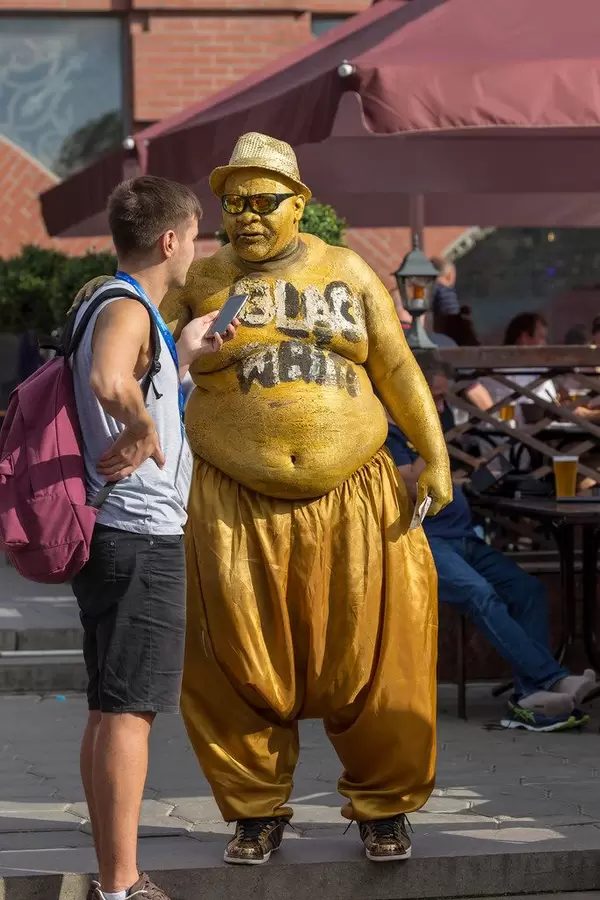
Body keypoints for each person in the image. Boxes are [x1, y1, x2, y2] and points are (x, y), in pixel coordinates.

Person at [156, 132, 452, 865]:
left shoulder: (348, 271)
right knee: (233, 663)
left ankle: (384, 808)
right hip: (231, 498)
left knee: (381, 653)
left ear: (300, 206)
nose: (247, 217)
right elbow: (143, 357)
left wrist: (436, 456)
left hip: (356, 492)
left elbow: (397, 365)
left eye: (263, 202)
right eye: (233, 204)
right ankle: (255, 811)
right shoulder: (198, 279)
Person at [70, 175, 236, 900]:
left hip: (116, 532)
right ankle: (121, 885)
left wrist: (186, 356)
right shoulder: (126, 306)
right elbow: (112, 377)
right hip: (139, 535)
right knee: (131, 712)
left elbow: (132, 377)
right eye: (195, 237)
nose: (197, 251)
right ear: (170, 240)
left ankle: (114, 866)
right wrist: (138, 426)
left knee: (110, 706)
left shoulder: (125, 308)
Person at [386, 353, 596, 732]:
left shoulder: (423, 426)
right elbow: (409, 483)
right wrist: (429, 435)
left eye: (443, 398)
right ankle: (551, 680)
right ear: (410, 389)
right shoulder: (389, 432)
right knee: (480, 593)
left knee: (528, 589)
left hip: (463, 538)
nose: (441, 406)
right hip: (424, 542)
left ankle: (531, 698)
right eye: (434, 396)